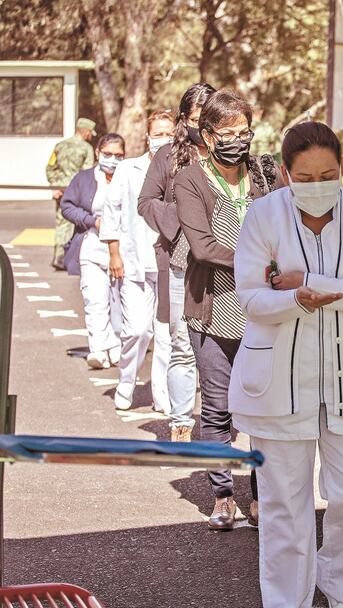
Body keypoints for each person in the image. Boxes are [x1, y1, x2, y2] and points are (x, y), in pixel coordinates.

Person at [229, 121, 343, 608]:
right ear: (285, 173)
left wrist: (316, 287)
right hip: (279, 382)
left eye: (328, 174)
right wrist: (293, 300)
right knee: (284, 502)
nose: (318, 183)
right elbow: (251, 299)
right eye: (305, 176)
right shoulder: (262, 215)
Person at [174, 89, 279, 529]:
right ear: (208, 135)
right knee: (218, 408)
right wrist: (259, 258)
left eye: (245, 132)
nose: (239, 140)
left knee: (263, 408)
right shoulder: (190, 180)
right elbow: (202, 247)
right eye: (229, 133)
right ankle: (222, 493)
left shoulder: (261, 175)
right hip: (214, 307)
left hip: (262, 310)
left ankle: (261, 497)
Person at [139, 83, 216, 441]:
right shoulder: (168, 156)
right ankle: (181, 421)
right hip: (180, 263)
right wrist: (186, 217)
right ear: (184, 120)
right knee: (182, 344)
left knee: (222, 345)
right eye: (197, 120)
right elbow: (146, 202)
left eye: (210, 119)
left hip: (223, 262)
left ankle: (221, 421)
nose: (205, 127)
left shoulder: (231, 156)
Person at [101, 111, 176, 412]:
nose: (163, 139)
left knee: (166, 333)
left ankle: (161, 393)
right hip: (133, 262)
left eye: (169, 133)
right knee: (137, 330)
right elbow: (112, 211)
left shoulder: (180, 168)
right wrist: (113, 253)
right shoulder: (129, 169)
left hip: (168, 261)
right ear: (147, 137)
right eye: (157, 133)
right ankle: (126, 380)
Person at [60, 133, 125, 370]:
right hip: (92, 247)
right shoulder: (84, 179)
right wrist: (91, 221)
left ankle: (117, 348)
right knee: (94, 300)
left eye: (119, 155)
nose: (112, 160)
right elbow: (67, 205)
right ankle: (98, 349)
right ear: (98, 153)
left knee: (118, 302)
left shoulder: (127, 177)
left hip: (120, 251)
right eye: (107, 154)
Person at [46, 118, 97, 270]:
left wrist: (54, 186)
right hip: (76, 190)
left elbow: (50, 168)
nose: (91, 136)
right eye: (90, 133)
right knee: (78, 222)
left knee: (61, 222)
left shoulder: (59, 146)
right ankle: (70, 257)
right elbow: (87, 172)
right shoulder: (86, 148)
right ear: (86, 132)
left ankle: (58, 256)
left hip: (60, 190)